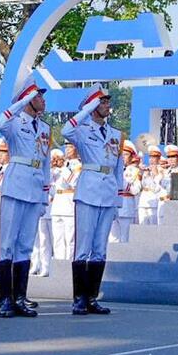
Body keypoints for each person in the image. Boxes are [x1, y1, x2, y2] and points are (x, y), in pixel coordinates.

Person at [62, 88, 122, 314]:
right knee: (83, 247)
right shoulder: (82, 130)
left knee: (100, 248)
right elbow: (66, 129)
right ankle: (79, 298)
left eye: (107, 101)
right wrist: (87, 108)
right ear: (91, 105)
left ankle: (92, 298)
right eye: (102, 101)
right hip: (88, 188)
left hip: (107, 190)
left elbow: (118, 168)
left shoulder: (115, 134)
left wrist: (118, 199)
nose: (107, 104)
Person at [0, 82, 48, 317]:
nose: (43, 100)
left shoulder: (44, 129)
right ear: (28, 100)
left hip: (35, 186)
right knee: (7, 243)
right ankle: (5, 299)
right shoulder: (15, 123)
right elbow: (0, 124)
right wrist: (20, 102)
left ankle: (19, 297)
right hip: (16, 184)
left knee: (25, 245)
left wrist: (45, 195)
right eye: (38, 97)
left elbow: (45, 163)